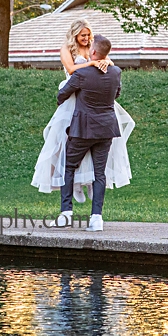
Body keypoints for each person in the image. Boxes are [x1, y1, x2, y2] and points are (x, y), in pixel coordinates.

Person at [32, 19, 134, 203]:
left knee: (93, 144)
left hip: (91, 99)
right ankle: (74, 185)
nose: (87, 38)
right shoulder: (66, 49)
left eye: (88, 35)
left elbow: (108, 62)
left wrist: (106, 63)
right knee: (67, 141)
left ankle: (87, 183)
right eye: (83, 35)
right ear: (75, 35)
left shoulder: (93, 49)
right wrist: (93, 65)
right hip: (73, 97)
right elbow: (71, 69)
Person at [55, 34, 123, 232]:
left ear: (93, 52)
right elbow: (116, 93)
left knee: (68, 167)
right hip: (106, 128)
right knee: (99, 173)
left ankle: (66, 213)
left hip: (82, 129)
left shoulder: (82, 75)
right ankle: (96, 219)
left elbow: (62, 94)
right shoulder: (116, 71)